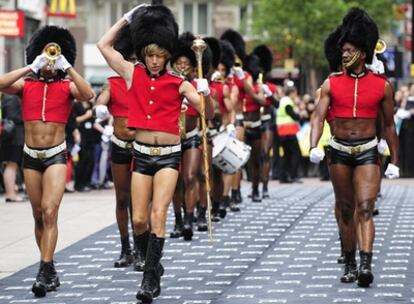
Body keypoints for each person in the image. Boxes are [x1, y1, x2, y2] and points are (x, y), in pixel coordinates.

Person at [97, 4, 214, 303]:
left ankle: (150, 278)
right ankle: (153, 263)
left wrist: (205, 92)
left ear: (167, 55)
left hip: (168, 156)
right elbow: (103, 45)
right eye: (150, 54)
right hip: (141, 154)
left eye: (160, 55)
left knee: (158, 213)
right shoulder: (130, 73)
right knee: (139, 220)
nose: (154, 60)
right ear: (143, 52)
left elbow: (205, 114)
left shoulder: (179, 82)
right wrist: (129, 18)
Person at [0, 25, 94, 297]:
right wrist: (31, 65)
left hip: (55, 155)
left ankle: (43, 268)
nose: (50, 60)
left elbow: (88, 95)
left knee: (50, 211)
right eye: (47, 55)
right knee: (38, 215)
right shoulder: (25, 84)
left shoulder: (67, 86)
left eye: (54, 57)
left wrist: (68, 66)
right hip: (30, 155)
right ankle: (50, 267)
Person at [310, 8, 399, 288]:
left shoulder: (382, 86)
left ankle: (365, 265)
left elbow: (388, 125)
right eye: (343, 50)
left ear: (362, 52)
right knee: (346, 209)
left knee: (365, 207)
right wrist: (314, 144)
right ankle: (349, 263)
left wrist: (394, 159)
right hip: (338, 151)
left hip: (368, 151)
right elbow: (318, 117)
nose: (344, 55)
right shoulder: (330, 83)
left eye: (349, 50)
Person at [96, 25, 140, 269]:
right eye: (129, 59)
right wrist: (100, 109)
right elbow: (101, 100)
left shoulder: (144, 82)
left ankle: (142, 247)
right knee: (122, 199)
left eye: (136, 59)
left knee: (141, 201)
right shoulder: (112, 82)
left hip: (142, 145)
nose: (133, 63)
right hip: (120, 145)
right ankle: (126, 248)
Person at [0, 94, 25, 202]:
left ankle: (11, 193)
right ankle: (10, 194)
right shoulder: (11, 97)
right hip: (14, 137)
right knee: (12, 165)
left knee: (12, 165)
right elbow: (12, 116)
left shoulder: (9, 97)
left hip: (12, 137)